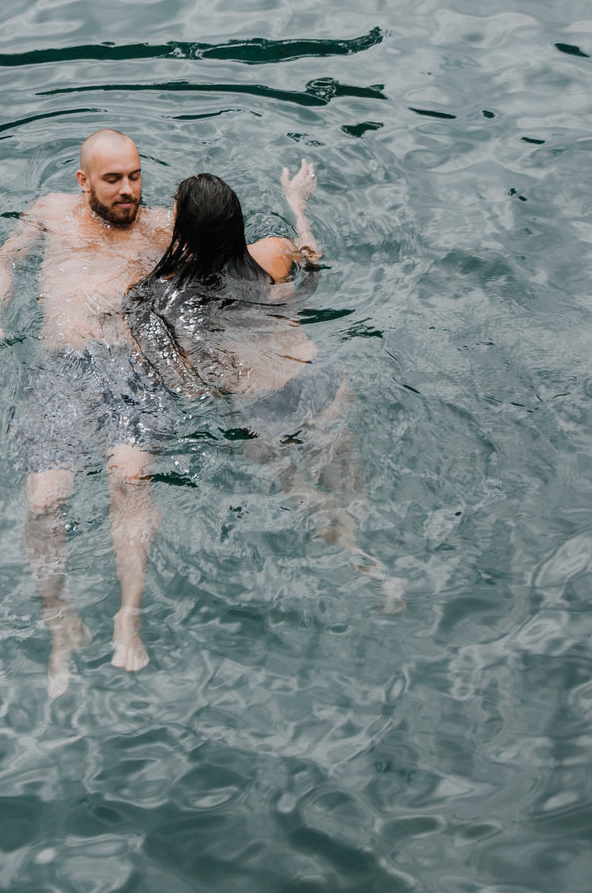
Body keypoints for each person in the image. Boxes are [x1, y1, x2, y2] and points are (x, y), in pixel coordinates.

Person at [0, 129, 178, 694]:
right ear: (84, 181)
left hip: (133, 369)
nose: (128, 190)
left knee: (130, 479)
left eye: (134, 176)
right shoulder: (52, 213)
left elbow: (236, 262)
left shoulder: (163, 227)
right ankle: (60, 620)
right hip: (63, 371)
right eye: (112, 180)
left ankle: (128, 614)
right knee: (43, 500)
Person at [124, 164, 395, 599]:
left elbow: (183, 379)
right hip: (318, 378)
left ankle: (358, 559)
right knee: (351, 486)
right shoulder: (273, 253)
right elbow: (313, 258)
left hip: (261, 407)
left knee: (307, 496)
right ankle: (376, 540)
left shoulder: (163, 292)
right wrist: (297, 204)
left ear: (183, 230)